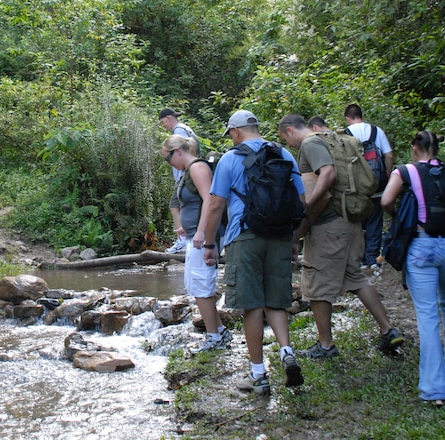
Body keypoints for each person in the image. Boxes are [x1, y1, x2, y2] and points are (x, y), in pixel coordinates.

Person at [277, 114, 403, 360]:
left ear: (290, 130)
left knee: (316, 286)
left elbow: (327, 175)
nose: (288, 145)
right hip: (350, 221)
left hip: (328, 225)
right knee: (355, 277)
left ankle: (325, 345)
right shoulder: (332, 138)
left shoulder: (311, 144)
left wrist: (304, 218)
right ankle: (388, 330)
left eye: (285, 139)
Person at [202, 110, 304, 394]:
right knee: (276, 301)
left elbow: (214, 206)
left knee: (252, 305)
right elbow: (301, 201)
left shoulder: (230, 159)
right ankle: (286, 352)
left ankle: (259, 374)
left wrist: (210, 244)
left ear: (235, 132)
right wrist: (294, 239)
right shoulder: (284, 154)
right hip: (280, 235)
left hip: (244, 236)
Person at [381, 131, 445, 406]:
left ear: (414, 148)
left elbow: (385, 201)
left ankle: (435, 390)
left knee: (427, 316)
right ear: (437, 149)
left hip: (421, 245)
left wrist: (401, 216)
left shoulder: (405, 172)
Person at [161, 134, 232, 352]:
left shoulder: (197, 168)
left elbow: (211, 200)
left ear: (178, 151)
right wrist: (188, 227)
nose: (168, 163)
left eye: (167, 158)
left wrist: (202, 231)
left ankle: (214, 337)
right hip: (194, 235)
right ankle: (219, 331)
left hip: (204, 237)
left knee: (201, 285)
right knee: (195, 285)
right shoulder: (187, 172)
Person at [344, 104, 393, 270]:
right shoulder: (377, 131)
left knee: (357, 222)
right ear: (361, 116)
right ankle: (371, 260)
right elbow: (389, 155)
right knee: (375, 220)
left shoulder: (345, 134)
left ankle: (358, 258)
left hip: (356, 187)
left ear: (347, 118)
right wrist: (386, 174)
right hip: (376, 184)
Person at [159, 108, 197, 254]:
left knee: (175, 206)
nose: (164, 126)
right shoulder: (185, 129)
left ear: (168, 118)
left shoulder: (178, 132)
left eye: (163, 122)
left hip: (183, 177)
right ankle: (185, 238)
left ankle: (182, 240)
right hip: (186, 175)